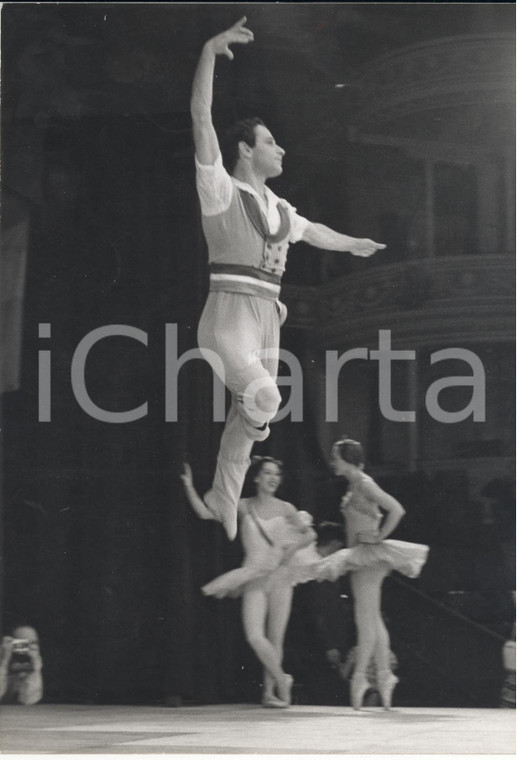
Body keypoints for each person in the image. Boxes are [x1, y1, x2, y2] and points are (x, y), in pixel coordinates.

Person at [189, 17, 386, 541]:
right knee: (266, 405)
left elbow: (313, 231)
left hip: (268, 319)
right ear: (245, 150)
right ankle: (223, 490)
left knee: (251, 411)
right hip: (229, 317)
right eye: (271, 142)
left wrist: (353, 243)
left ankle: (222, 495)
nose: (281, 149)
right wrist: (209, 53)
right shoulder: (220, 191)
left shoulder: (279, 206)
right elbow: (202, 118)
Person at [181, 456, 319, 708]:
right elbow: (204, 513)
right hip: (253, 573)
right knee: (254, 635)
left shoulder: (286, 508)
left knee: (275, 637)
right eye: (267, 473)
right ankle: (281, 679)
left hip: (280, 575)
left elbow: (310, 534)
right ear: (256, 477)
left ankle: (269, 693)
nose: (272, 478)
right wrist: (189, 486)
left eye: (276, 474)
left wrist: (289, 551)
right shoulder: (243, 506)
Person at [311, 438, 429, 710]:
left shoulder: (364, 483)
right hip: (360, 556)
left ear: (347, 458)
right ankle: (384, 677)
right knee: (372, 620)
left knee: (365, 621)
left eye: (335, 456)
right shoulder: (355, 484)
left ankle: (361, 678)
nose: (332, 461)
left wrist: (378, 538)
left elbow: (396, 509)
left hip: (368, 557)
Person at [0, 625, 43, 705]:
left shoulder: (35, 661)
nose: (28, 646)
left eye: (33, 642)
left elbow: (29, 700)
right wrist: (4, 661)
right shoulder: (3, 658)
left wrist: (35, 671)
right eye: (23, 642)